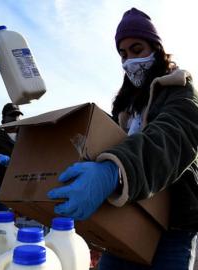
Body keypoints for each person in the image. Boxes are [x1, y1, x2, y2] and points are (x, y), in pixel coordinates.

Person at [47, 7, 198, 269]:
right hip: (130, 213)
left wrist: (112, 171)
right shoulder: (125, 105)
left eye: (137, 50)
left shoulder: (180, 91)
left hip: (174, 224)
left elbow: (170, 138)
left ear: (156, 49)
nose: (129, 61)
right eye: (123, 54)